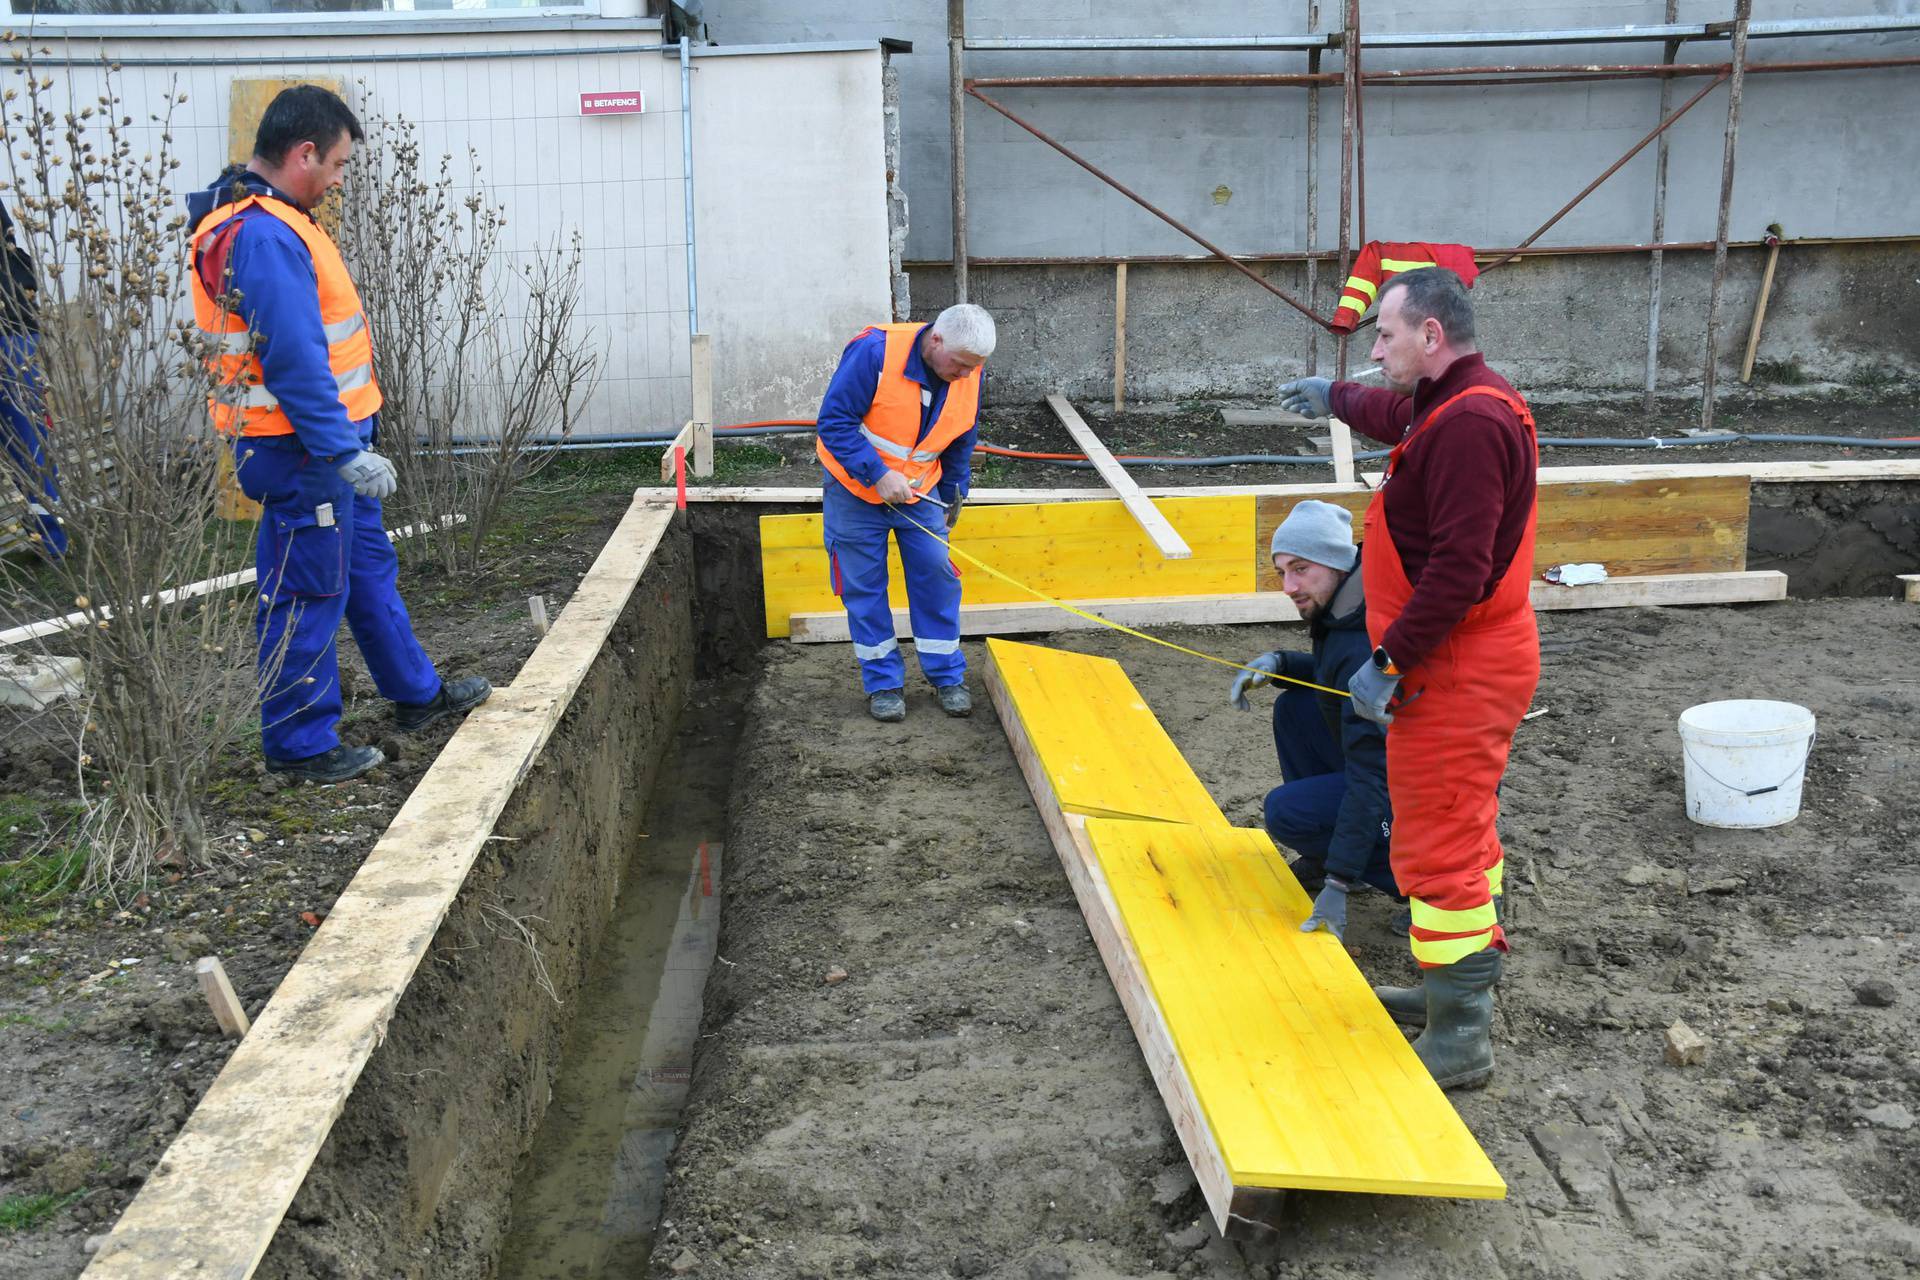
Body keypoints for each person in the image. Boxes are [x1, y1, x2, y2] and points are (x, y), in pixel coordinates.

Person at [1278, 267, 1539, 1091]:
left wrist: (1389, 662)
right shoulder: (1453, 402)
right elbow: (1392, 411)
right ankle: (1447, 990)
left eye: (1384, 336)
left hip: (1454, 665)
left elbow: (1461, 570)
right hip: (1460, 657)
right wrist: (1331, 397)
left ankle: (1461, 1035)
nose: (1374, 351)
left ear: (1431, 336)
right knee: (1465, 826)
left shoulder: (1468, 427)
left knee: (1438, 842)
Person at [186, 85, 490, 785]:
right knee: (307, 588)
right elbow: (292, 357)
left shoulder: (276, 221)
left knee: (363, 570)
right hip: (302, 451)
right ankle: (300, 745)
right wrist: (342, 449)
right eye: (340, 164)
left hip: (321, 448)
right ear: (303, 154)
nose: (340, 178)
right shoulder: (261, 233)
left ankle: (417, 695)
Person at [815, 303, 995, 722]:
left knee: (937, 575)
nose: (967, 374)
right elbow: (835, 422)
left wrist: (954, 492)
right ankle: (883, 685)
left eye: (976, 367)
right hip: (854, 490)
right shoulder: (875, 352)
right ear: (936, 340)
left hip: (922, 492)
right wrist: (876, 473)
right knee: (863, 587)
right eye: (962, 364)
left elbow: (960, 437)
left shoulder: (967, 369)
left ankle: (947, 676)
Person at [1228, 501, 1395, 941]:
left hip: (1418, 787)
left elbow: (1371, 773)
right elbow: (1334, 678)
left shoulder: (1364, 635)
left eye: (1300, 568)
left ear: (1336, 562)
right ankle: (1337, 856)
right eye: (1283, 572)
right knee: (1296, 708)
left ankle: (1416, 887)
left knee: (1287, 812)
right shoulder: (1346, 602)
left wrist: (1339, 879)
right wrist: (1281, 664)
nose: (1288, 586)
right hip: (1384, 763)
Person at [0, 202, 65, 559]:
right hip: (15, 331)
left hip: (10, 332)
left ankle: (51, 543)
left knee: (28, 445)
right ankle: (50, 541)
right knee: (28, 442)